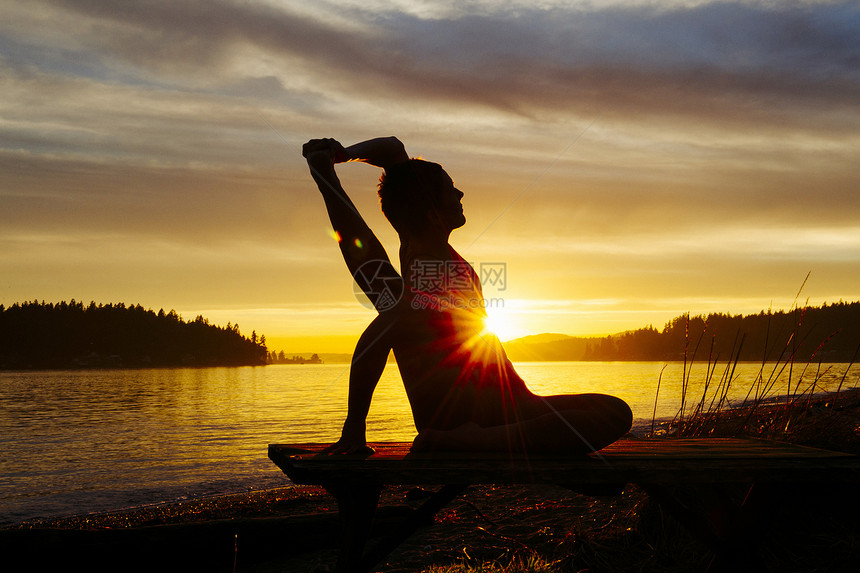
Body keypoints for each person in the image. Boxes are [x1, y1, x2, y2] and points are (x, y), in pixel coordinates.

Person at [302, 136, 632, 455]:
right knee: (614, 415)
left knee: (612, 411)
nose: (460, 192)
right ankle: (475, 441)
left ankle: (491, 439)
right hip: (476, 414)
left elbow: (392, 148)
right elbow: (379, 333)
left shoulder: (418, 244)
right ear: (433, 213)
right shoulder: (429, 283)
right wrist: (355, 427)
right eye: (450, 190)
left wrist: (338, 157)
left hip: (508, 402)